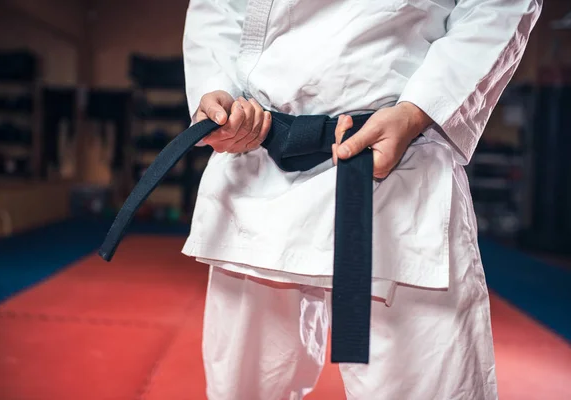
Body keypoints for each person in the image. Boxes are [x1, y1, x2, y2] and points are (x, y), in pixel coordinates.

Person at [181, 0, 542, 399]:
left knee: (424, 387)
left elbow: (500, 6)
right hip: (261, 153)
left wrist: (419, 110)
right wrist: (216, 88)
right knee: (242, 389)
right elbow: (218, 7)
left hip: (399, 159)